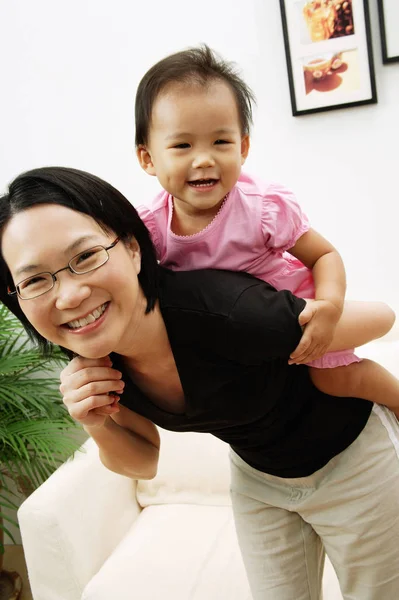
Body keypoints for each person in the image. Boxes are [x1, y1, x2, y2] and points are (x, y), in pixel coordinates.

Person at [1, 166, 399, 599]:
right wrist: (96, 421)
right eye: (35, 279)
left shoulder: (229, 314)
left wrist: (301, 328)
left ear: (133, 249)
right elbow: (143, 462)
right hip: (260, 478)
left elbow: (380, 317)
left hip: (352, 460)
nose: (70, 295)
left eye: (85, 257)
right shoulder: (97, 359)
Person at [134, 45, 399, 415]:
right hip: (247, 335)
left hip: (299, 310)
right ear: (148, 158)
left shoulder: (261, 207)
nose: (205, 158)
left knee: (347, 362)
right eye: (182, 145)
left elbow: (324, 255)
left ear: (242, 147)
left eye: (221, 142)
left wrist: (329, 307)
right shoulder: (151, 229)